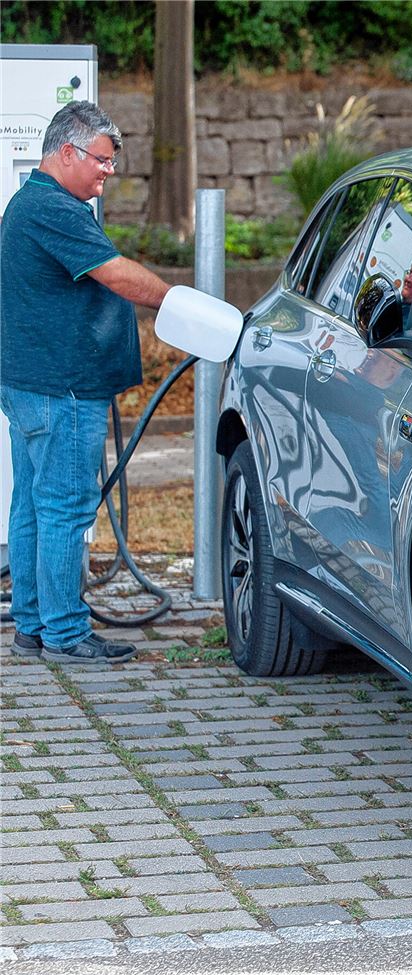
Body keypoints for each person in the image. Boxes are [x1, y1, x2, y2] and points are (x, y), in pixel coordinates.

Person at [0, 101, 172, 666]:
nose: (108, 171)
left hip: (32, 382)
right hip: (61, 389)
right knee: (64, 509)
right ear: (67, 152)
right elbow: (115, 273)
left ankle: (32, 624)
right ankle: (66, 633)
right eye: (100, 160)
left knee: (32, 504)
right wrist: (181, 302)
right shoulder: (53, 208)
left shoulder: (34, 203)